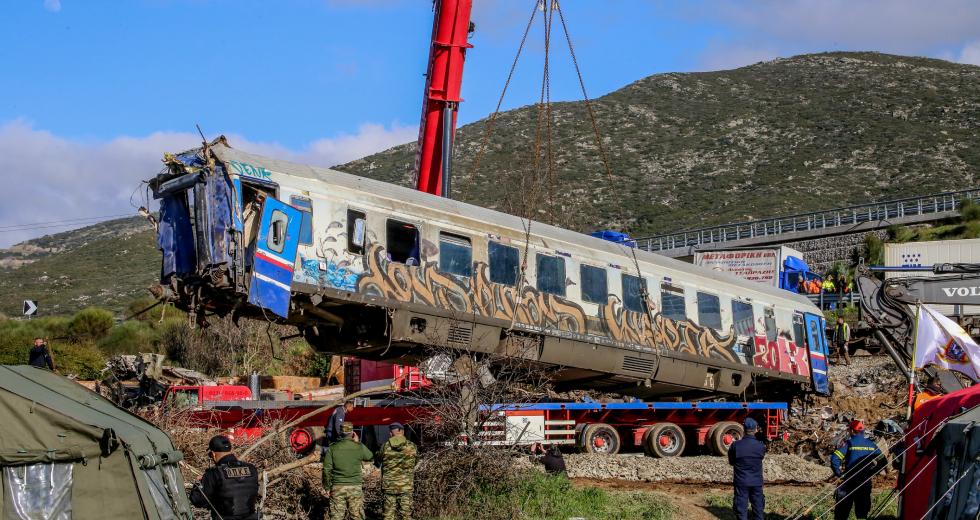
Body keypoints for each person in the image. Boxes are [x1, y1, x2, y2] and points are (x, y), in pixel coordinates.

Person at [189, 435, 259, 520]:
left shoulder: (214, 473)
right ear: (230, 450)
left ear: (213, 454)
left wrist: (197, 483)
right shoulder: (251, 469)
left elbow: (197, 500)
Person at [831, 420, 884, 520]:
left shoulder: (849, 444)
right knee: (862, 514)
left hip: (848, 483)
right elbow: (883, 461)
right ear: (863, 431)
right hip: (865, 484)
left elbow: (835, 459)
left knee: (841, 515)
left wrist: (840, 474)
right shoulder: (871, 445)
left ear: (851, 431)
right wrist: (871, 472)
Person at [323, 422, 374, 520]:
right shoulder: (358, 447)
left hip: (337, 487)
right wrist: (358, 442)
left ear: (340, 433)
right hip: (355, 486)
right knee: (357, 516)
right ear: (352, 433)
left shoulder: (332, 448)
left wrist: (326, 486)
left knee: (336, 517)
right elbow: (370, 456)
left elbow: (326, 469)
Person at [728, 418, 766, 520]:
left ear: (743, 429)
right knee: (758, 510)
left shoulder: (735, 445)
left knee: (741, 511)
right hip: (756, 482)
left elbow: (731, 462)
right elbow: (761, 457)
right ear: (756, 430)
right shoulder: (760, 446)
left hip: (741, 482)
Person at [378, 422, 418, 520]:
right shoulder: (412, 446)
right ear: (403, 432)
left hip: (389, 485)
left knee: (388, 515)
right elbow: (416, 461)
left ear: (391, 433)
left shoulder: (385, 446)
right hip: (406, 485)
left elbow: (379, 459)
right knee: (406, 515)